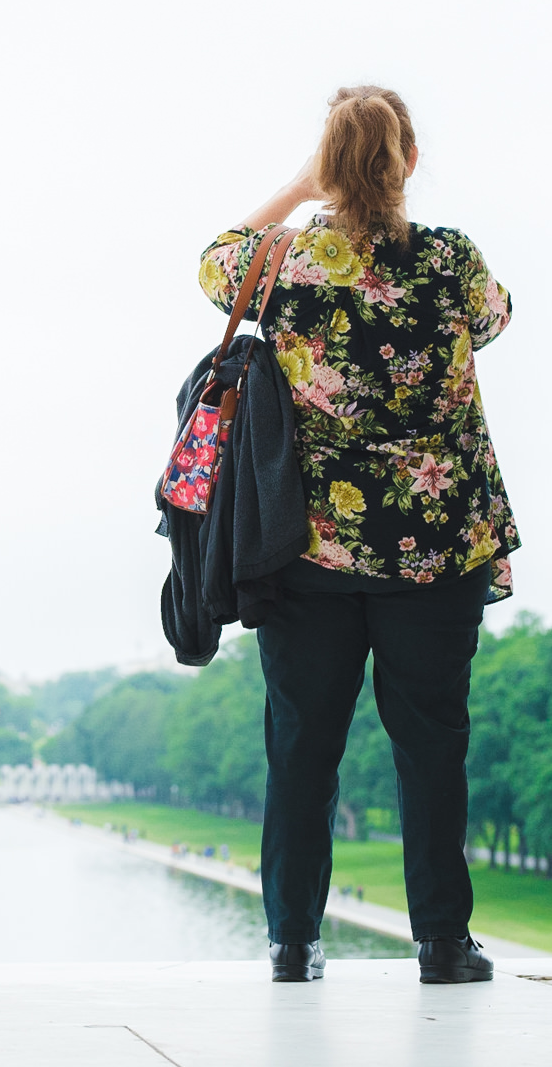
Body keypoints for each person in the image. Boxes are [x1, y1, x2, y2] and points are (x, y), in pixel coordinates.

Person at [197, 85, 518, 986]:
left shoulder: (286, 265)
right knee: (431, 745)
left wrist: (299, 189)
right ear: (409, 160)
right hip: (436, 550)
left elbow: (211, 259)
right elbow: (496, 318)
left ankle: (294, 940)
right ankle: (444, 943)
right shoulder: (452, 261)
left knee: (303, 745)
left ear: (329, 165)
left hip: (311, 552)